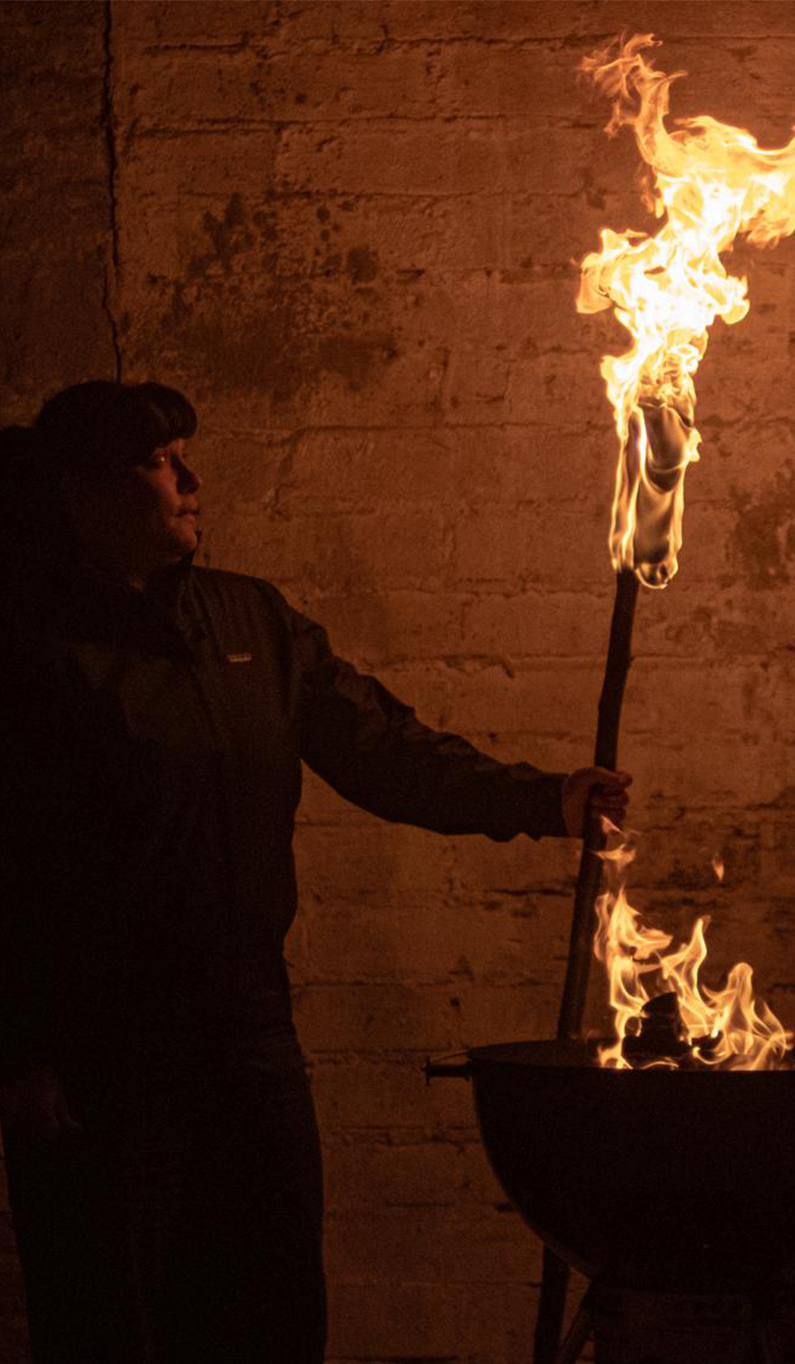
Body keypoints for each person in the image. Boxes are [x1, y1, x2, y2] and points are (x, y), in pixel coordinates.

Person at [0, 380, 631, 1364]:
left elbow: (382, 748)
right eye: (162, 464)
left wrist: (542, 800)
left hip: (248, 1040)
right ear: (85, 494)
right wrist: (20, 1051)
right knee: (114, 1324)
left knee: (272, 1313)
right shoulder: (31, 648)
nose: (192, 481)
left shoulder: (248, 618)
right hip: (100, 1062)